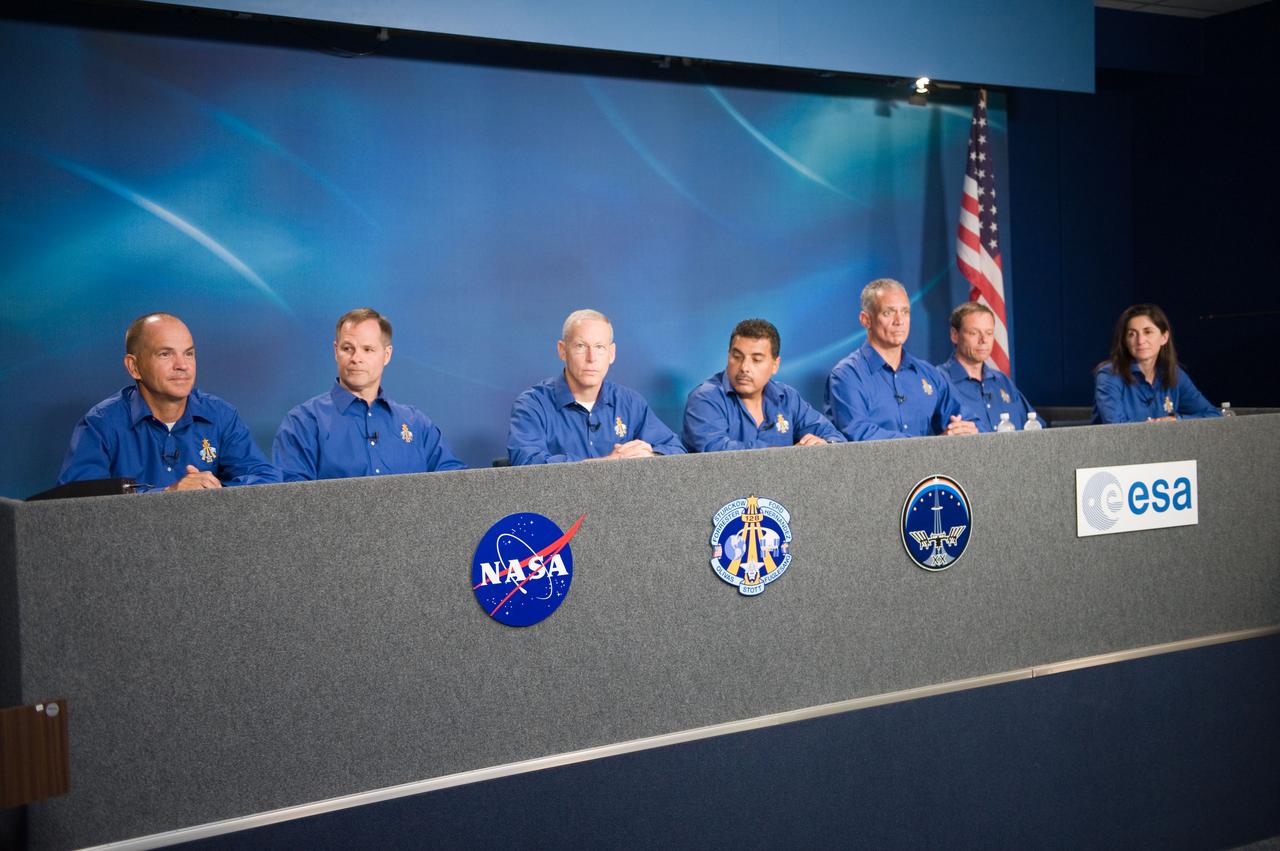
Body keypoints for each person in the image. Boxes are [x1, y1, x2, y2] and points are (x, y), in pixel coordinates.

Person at [58, 313, 279, 491]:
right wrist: (168, 495)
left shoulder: (221, 416)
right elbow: (78, 504)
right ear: (134, 367)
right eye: (165, 354)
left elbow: (265, 479)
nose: (182, 365)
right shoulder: (101, 425)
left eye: (189, 354)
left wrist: (215, 489)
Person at [273, 308, 466, 480]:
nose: (356, 358)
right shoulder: (303, 423)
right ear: (335, 351)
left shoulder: (417, 424)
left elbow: (455, 486)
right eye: (347, 349)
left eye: (368, 350)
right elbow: (291, 504)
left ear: (386, 355)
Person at [508, 309, 687, 464]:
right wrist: (606, 463)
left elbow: (676, 450)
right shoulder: (532, 406)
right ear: (562, 350)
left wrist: (650, 454)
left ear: (611, 354)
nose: (591, 357)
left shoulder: (629, 403)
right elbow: (528, 464)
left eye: (599, 347)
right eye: (580, 346)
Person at [824, 279, 978, 441]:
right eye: (888, 313)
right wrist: (934, 446)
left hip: (929, 466)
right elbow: (859, 435)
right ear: (866, 320)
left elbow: (970, 420)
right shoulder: (847, 376)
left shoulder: (928, 374)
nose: (899, 321)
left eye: (905, 312)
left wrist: (966, 429)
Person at [683, 318, 844, 452]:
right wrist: (788, 455)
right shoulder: (705, 399)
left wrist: (825, 445)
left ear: (775, 365)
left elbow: (833, 436)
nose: (744, 367)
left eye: (756, 360)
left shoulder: (787, 398)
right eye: (737, 356)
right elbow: (716, 450)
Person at [1092, 304, 1221, 424]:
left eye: (1147, 332)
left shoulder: (1174, 374)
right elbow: (1115, 428)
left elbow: (1213, 415)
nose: (1140, 340)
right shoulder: (1110, 375)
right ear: (1125, 341)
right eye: (1132, 334)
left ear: (1164, 337)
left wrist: (1176, 421)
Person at [938, 301, 1038, 432]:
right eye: (974, 333)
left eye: (989, 333)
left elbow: (1035, 426)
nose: (984, 340)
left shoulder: (1002, 381)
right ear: (955, 335)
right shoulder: (939, 381)